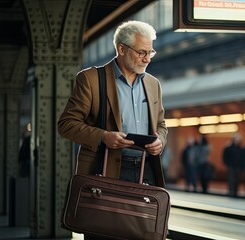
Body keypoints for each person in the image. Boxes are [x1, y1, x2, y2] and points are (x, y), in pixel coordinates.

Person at [58, 20, 167, 239]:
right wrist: (103, 137)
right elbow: (66, 124)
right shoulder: (90, 79)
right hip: (105, 170)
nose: (147, 59)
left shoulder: (153, 84)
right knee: (103, 233)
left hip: (145, 171)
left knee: (143, 234)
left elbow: (161, 125)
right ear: (121, 49)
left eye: (150, 52)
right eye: (141, 52)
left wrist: (160, 141)